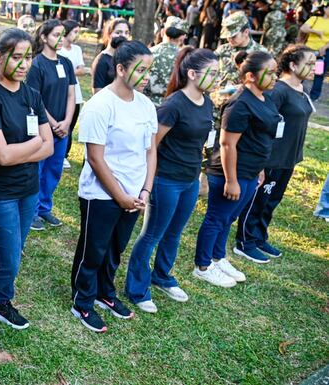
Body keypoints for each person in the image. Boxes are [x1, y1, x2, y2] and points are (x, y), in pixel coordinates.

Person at [0, 28, 54, 343]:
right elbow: (1, 156)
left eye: (28, 57)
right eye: (17, 57)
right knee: (7, 262)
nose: (24, 64)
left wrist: (24, 150)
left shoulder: (31, 94)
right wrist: (34, 145)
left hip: (27, 191)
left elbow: (50, 146)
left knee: (14, 253)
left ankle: (1, 302)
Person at [71, 41, 157, 333]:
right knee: (93, 250)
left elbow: (150, 152)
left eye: (149, 70)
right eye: (140, 70)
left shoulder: (146, 105)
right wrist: (120, 196)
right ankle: (82, 301)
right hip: (102, 194)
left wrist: (144, 191)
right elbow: (95, 158)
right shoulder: (100, 105)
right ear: (120, 69)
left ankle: (105, 293)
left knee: (115, 249)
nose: (146, 77)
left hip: (134, 194)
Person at [125, 47, 217, 313]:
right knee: (152, 234)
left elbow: (202, 143)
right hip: (166, 180)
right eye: (211, 73)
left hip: (190, 180)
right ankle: (137, 288)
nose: (216, 78)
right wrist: (146, 183)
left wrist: (201, 174)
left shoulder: (207, 102)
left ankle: (162, 275)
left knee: (175, 233)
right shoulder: (174, 105)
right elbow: (151, 145)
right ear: (192, 74)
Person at [194, 51, 281, 287]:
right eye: (270, 73)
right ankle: (203, 266)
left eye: (275, 72)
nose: (275, 77)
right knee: (217, 218)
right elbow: (227, 144)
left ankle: (217, 257)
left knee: (229, 218)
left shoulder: (264, 97)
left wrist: (259, 169)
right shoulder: (240, 103)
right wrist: (231, 180)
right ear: (250, 76)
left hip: (250, 172)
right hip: (230, 173)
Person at [234, 45, 315, 262]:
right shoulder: (278, 90)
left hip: (289, 158)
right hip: (271, 158)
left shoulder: (301, 89)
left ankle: (259, 237)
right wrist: (261, 161)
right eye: (308, 63)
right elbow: (262, 122)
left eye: (314, 63)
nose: (314, 68)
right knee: (259, 200)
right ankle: (245, 241)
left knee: (272, 201)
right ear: (293, 65)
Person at [26, 20, 77, 231]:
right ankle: (32, 212)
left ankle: (44, 207)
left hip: (63, 128)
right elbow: (35, 98)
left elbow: (72, 94)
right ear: (44, 37)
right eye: (56, 35)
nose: (61, 39)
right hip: (42, 127)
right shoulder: (36, 64)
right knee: (37, 170)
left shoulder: (66, 63)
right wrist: (54, 123)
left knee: (54, 170)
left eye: (62, 35)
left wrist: (67, 122)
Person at [215, 11, 269, 90]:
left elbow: (264, 81)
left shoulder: (261, 53)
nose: (229, 39)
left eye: (233, 36)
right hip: (220, 94)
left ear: (246, 32)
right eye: (227, 36)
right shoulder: (222, 50)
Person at [58, 20, 85, 169]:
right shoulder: (59, 49)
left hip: (76, 93)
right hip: (61, 93)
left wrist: (67, 71)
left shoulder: (77, 49)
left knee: (71, 124)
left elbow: (81, 70)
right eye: (75, 31)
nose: (77, 35)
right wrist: (72, 70)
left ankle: (65, 154)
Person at [144, 16, 188, 106]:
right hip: (172, 105)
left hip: (147, 103)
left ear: (162, 32)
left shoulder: (148, 53)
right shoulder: (184, 58)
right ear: (182, 37)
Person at [91, 18, 130, 94]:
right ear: (109, 34)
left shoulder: (128, 58)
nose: (123, 36)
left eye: (126, 33)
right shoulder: (101, 60)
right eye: (118, 32)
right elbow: (97, 92)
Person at [300, 5, 329, 101]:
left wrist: (324, 48)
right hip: (308, 50)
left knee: (318, 73)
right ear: (325, 9)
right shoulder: (315, 19)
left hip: (322, 53)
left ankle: (314, 96)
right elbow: (303, 28)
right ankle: (295, 90)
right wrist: (316, 32)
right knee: (302, 69)